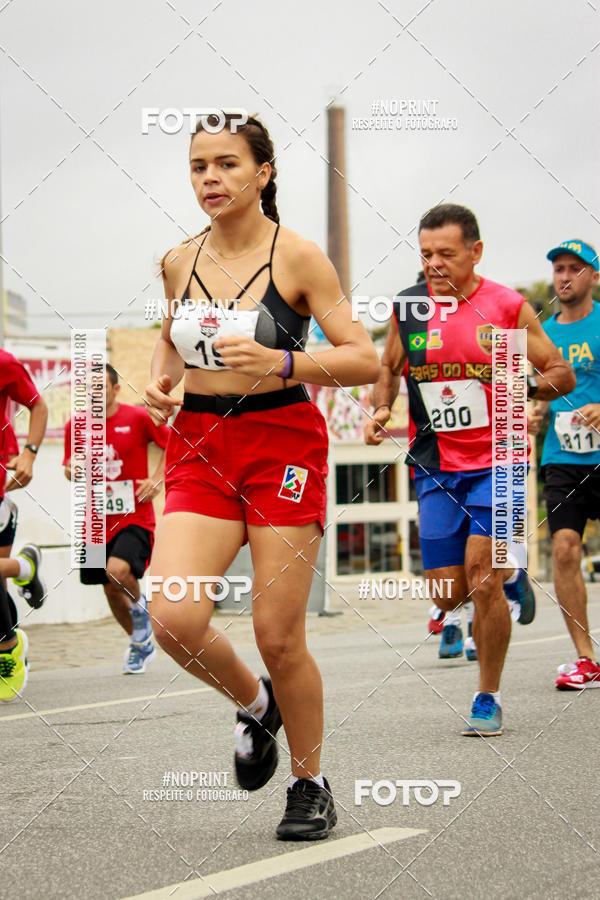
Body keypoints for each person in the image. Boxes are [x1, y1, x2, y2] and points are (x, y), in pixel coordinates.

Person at [144, 113, 379, 840]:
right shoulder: (178, 260)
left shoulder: (299, 258)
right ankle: (255, 705)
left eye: (226, 164)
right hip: (201, 444)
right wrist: (161, 385)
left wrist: (284, 363)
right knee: (174, 614)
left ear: (263, 174)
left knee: (280, 635)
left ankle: (309, 783)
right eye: (198, 167)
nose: (210, 179)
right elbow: (170, 345)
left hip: (281, 441)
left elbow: (363, 359)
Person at [365, 203, 575, 736]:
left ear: (475, 252)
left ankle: (488, 695)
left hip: (498, 459)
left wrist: (519, 389)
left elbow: (561, 372)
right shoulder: (408, 309)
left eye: (447, 254)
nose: (435, 264)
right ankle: (514, 577)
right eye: (426, 254)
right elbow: (387, 369)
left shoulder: (506, 306)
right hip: (435, 463)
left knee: (482, 577)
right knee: (446, 593)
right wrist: (381, 408)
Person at [63, 364, 168, 673]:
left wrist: (157, 480)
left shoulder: (136, 418)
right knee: (109, 588)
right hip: (94, 522)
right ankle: (139, 643)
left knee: (117, 571)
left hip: (134, 516)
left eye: (101, 386)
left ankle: (141, 611)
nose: (94, 393)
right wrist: (72, 470)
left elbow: (173, 443)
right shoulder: (76, 425)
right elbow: (69, 466)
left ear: (115, 389)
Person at [530, 239, 600, 689]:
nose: (564, 276)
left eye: (575, 268)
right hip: (562, 458)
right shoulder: (545, 335)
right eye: (558, 268)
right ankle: (586, 658)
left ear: (593, 276)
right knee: (564, 548)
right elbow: (534, 391)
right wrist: (534, 413)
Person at [0, 348, 48, 701]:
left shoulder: (4, 362)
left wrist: (29, 452)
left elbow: (38, 405)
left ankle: (7, 646)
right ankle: (24, 566)